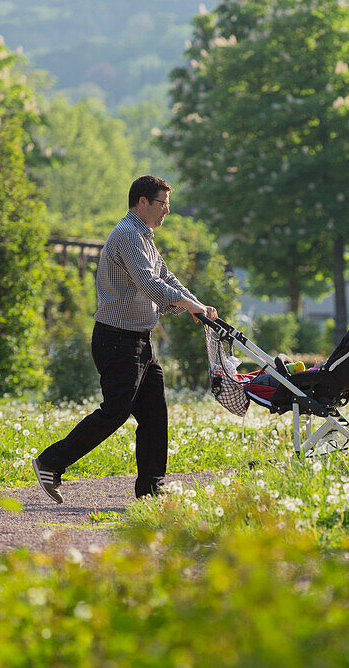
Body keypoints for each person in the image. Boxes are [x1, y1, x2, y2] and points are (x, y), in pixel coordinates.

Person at [32, 175, 217, 501]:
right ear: (142, 202)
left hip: (140, 342)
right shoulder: (128, 235)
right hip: (117, 340)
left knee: (155, 415)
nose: (167, 211)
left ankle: (151, 490)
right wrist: (190, 305)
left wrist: (196, 306)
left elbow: (166, 277)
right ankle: (50, 462)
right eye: (163, 204)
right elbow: (149, 285)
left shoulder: (144, 237)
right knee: (115, 412)